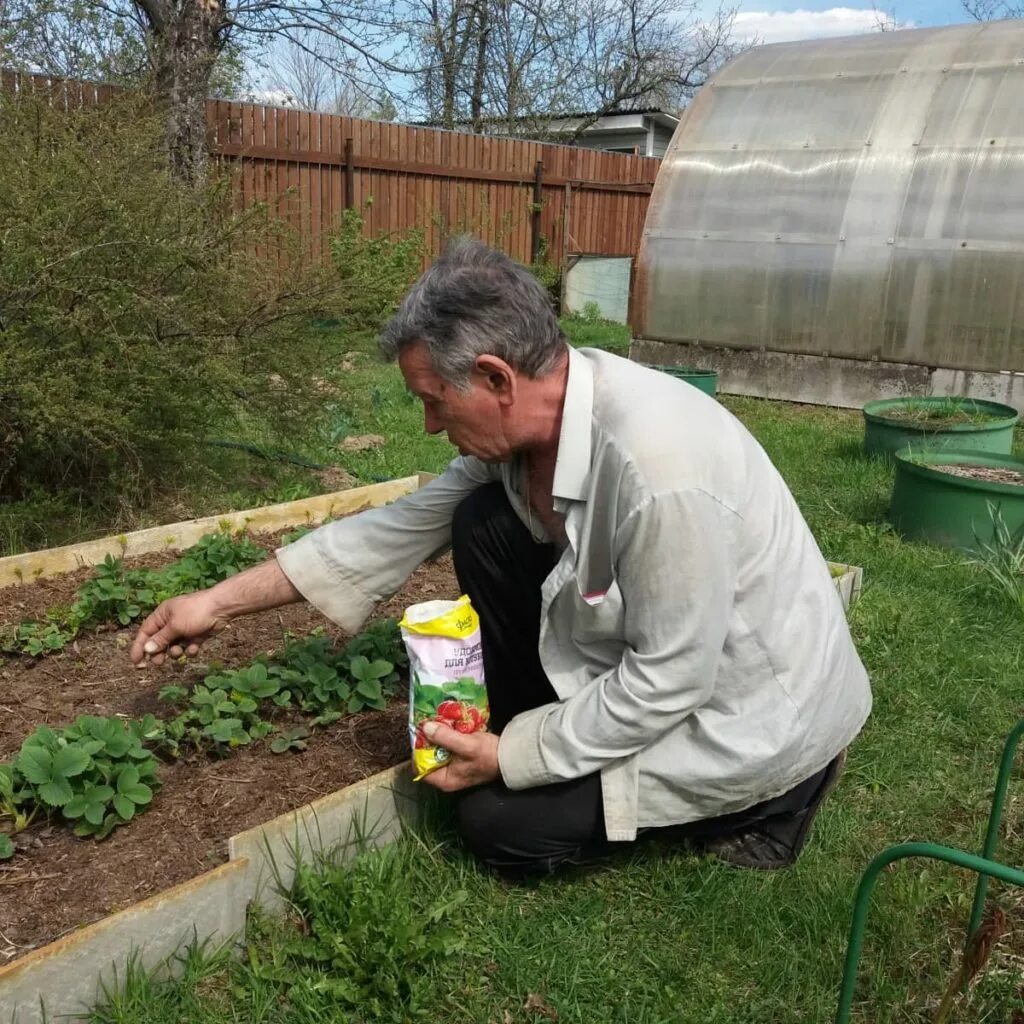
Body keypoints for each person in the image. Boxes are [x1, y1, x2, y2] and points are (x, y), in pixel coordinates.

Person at [130, 238, 871, 879]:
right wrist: (214, 602)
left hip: (742, 711)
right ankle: (546, 736)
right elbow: (394, 529)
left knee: (497, 828)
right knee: (479, 521)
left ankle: (781, 797)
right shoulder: (533, 432)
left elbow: (672, 679)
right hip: (662, 666)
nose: (426, 425)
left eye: (433, 401)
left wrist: (512, 755)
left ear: (495, 378)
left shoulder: (659, 472)